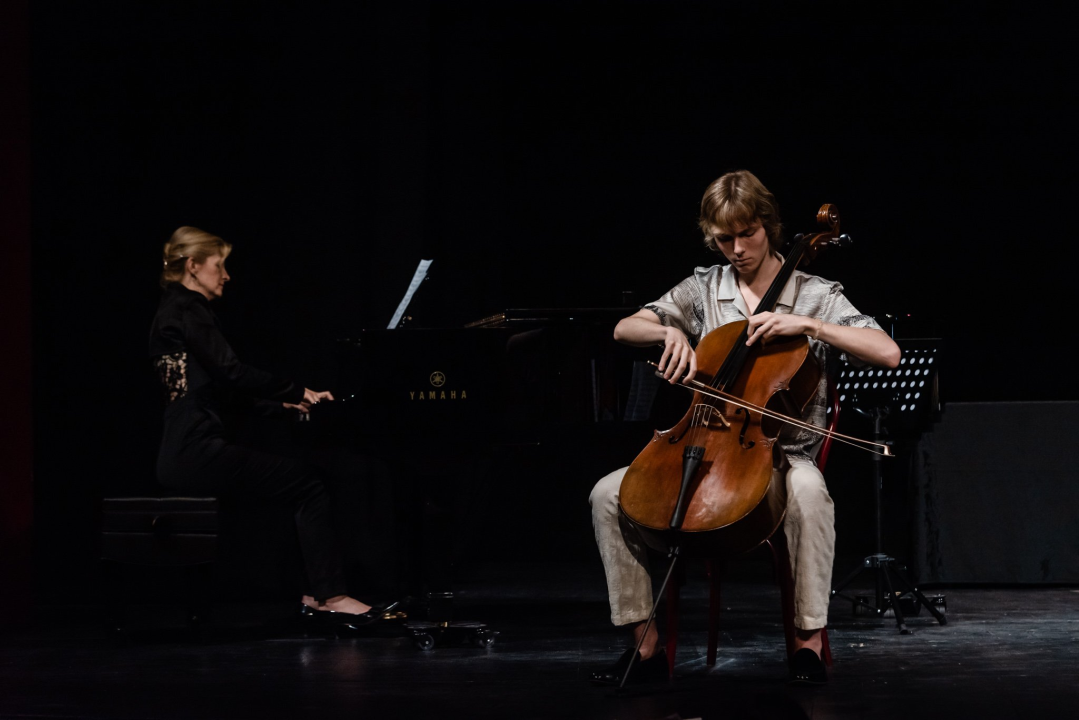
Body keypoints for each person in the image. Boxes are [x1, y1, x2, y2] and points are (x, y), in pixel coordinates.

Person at [588, 171, 901, 686]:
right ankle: (645, 647)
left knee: (809, 494)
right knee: (607, 495)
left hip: (782, 455)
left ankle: (806, 643)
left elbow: (887, 353)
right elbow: (626, 328)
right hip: (702, 445)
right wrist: (669, 332)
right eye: (724, 238)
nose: (736, 248)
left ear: (769, 226)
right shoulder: (704, 287)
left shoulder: (814, 293)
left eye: (747, 234)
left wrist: (810, 326)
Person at [149, 225, 390, 627]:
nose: (226, 276)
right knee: (309, 484)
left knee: (291, 489)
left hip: (180, 453)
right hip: (196, 451)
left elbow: (220, 394)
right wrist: (297, 388)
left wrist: (286, 405)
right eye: (219, 265)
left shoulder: (171, 311)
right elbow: (232, 372)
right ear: (192, 266)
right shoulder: (188, 309)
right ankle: (331, 596)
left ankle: (314, 594)